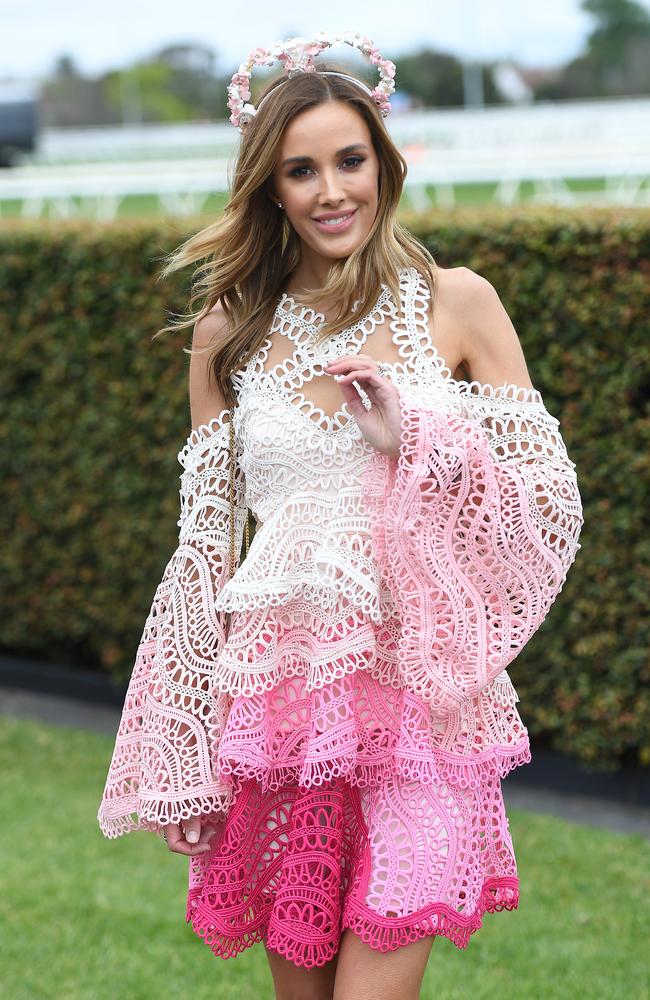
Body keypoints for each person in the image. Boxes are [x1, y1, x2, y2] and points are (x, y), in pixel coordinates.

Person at [96, 31, 584, 1000]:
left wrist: (418, 440)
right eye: (300, 169)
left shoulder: (456, 303)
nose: (330, 190)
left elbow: (546, 505)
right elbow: (202, 548)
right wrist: (182, 748)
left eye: (348, 161)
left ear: (383, 163)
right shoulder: (226, 330)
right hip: (277, 714)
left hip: (418, 708)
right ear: (268, 186)